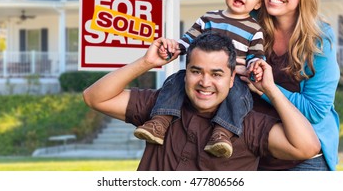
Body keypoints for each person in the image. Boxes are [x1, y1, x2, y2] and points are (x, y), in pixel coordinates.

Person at [83, 32, 321, 171]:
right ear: (185, 73)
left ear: (231, 80)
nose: (205, 82)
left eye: (216, 74)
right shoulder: (160, 107)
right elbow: (94, 97)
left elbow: (307, 147)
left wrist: (270, 89)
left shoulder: (248, 125)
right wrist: (146, 63)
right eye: (196, 71)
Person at [133, 0, 266, 158]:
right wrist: (173, 48)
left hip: (232, 77)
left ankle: (222, 134)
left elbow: (256, 56)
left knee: (239, 94)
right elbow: (188, 40)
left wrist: (256, 68)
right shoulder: (209, 18)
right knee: (176, 80)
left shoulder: (255, 29)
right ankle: (160, 121)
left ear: (258, 3)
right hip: (202, 72)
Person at [243, 0, 340, 171]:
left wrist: (266, 89)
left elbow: (315, 110)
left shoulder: (319, 39)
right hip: (252, 150)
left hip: (304, 157)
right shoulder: (248, 25)